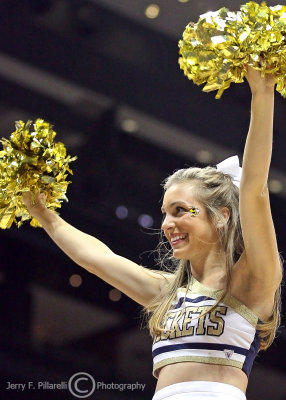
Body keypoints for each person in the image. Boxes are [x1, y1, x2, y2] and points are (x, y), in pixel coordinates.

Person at [23, 66, 283, 400]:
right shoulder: (166, 293)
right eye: (165, 213)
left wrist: (263, 94)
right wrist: (44, 215)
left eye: (180, 210)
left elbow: (253, 192)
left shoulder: (252, 280)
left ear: (220, 216)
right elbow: (97, 258)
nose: (166, 224)